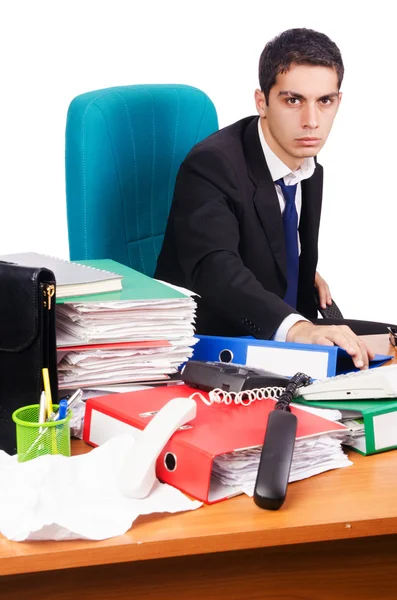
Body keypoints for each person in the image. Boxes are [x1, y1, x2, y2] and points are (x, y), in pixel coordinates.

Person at [155, 28, 394, 369]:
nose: (311, 122)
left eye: (324, 101)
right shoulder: (211, 165)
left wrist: (296, 264)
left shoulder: (305, 164)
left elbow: (266, 225)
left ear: (338, 102)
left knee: (390, 345)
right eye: (293, 100)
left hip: (283, 330)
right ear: (261, 102)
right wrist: (298, 328)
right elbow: (216, 269)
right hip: (218, 343)